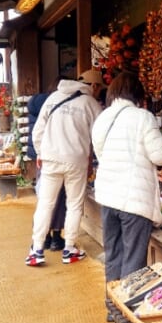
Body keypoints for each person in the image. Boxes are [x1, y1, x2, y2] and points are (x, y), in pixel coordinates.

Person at [92, 70, 162, 284]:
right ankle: (128, 312)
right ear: (137, 94)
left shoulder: (102, 118)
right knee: (134, 261)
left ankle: (113, 308)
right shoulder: (142, 117)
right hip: (134, 200)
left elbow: (100, 153)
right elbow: (160, 156)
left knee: (114, 255)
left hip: (108, 197)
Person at [25, 68, 104, 267]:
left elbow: (38, 131)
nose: (99, 92)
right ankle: (69, 248)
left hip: (50, 158)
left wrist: (41, 154)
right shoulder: (90, 103)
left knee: (45, 203)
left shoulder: (52, 98)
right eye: (99, 87)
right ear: (93, 86)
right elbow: (100, 134)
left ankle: (36, 249)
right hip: (76, 160)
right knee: (74, 204)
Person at [27, 78, 66, 251]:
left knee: (44, 197)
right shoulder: (59, 104)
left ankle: (43, 239)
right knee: (58, 198)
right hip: (53, 155)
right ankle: (56, 237)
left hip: (40, 156)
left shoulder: (36, 103)